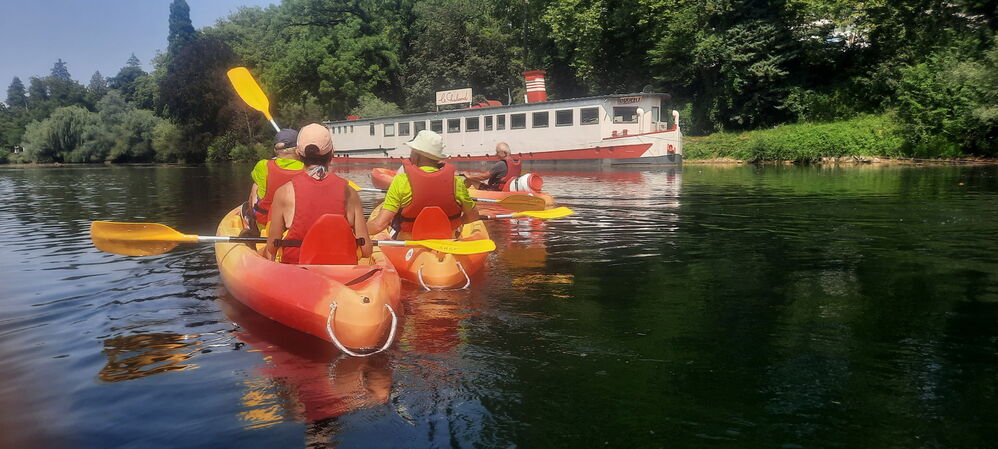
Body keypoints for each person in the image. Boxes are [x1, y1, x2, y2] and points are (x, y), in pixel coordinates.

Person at [264, 123, 372, 263]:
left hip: (297, 272)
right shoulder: (350, 192)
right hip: (341, 273)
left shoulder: (283, 192)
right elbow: (367, 250)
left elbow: (272, 248)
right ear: (332, 152)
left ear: (298, 153)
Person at [368, 130, 481, 238]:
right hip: (447, 242)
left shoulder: (401, 181)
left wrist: (357, 230)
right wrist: (457, 223)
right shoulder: (456, 182)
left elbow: (378, 226)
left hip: (409, 245)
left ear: (417, 154)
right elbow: (474, 216)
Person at [243, 128, 304, 233]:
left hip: (266, 223)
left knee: (255, 187)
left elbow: (256, 193)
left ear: (276, 150)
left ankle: (252, 224)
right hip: (294, 224)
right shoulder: (307, 168)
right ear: (298, 150)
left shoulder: (263, 165)